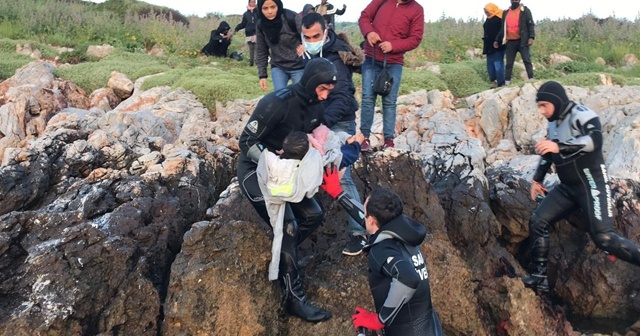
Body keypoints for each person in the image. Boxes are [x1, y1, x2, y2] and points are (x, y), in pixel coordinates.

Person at [237, 58, 338, 322]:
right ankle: (294, 298)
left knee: (314, 216)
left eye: (329, 90)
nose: (326, 95)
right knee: (289, 226)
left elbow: (315, 130)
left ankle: (282, 258)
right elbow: (245, 140)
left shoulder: (318, 103)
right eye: (323, 89)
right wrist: (273, 163)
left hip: (288, 171)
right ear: (312, 82)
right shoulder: (277, 102)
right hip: (256, 169)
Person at [522, 81, 640, 292]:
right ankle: (539, 278)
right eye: (538, 106)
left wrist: (559, 146)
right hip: (567, 188)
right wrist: (536, 180)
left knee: (604, 238)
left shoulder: (582, 114)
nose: (541, 111)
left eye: (544, 106)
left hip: (592, 183)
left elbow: (595, 141)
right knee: (537, 221)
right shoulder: (553, 122)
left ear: (556, 102)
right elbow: (548, 153)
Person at [319, 181, 444, 335]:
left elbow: (407, 278)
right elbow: (367, 221)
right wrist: (339, 193)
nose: (364, 218)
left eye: (366, 213)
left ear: (371, 219)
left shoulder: (382, 249)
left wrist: (378, 320)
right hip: (429, 329)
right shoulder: (405, 234)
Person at [300, 12, 368, 255]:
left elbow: (342, 98)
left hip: (339, 121)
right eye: (307, 36)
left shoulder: (336, 57)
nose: (311, 39)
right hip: (317, 119)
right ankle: (301, 224)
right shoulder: (308, 55)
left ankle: (361, 231)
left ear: (326, 32)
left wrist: (324, 126)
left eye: (316, 36)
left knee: (339, 173)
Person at [358, 0, 424, 151]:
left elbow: (415, 38)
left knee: (389, 101)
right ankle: (364, 137)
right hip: (371, 57)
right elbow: (364, 17)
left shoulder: (416, 9)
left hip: (394, 62)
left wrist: (394, 46)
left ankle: (389, 140)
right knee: (368, 98)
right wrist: (369, 32)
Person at [256, 0, 305, 91]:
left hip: (298, 66)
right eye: (265, 8)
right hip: (278, 67)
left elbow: (308, 35)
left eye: (273, 7)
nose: (270, 11)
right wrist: (262, 75)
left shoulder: (291, 17)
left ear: (278, 5)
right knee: (280, 96)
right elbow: (261, 50)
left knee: (300, 96)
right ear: (260, 9)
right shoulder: (261, 25)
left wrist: (305, 45)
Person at [493, 0, 535, 85]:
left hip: (522, 40)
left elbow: (530, 24)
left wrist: (531, 37)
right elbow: (503, 28)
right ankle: (507, 82)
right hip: (510, 42)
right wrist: (497, 40)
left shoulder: (525, 10)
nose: (514, 1)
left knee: (527, 60)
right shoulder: (506, 12)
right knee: (509, 63)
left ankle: (531, 79)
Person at [483, 3, 506, 88]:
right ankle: (494, 82)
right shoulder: (488, 19)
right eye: (485, 12)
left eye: (487, 11)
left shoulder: (500, 18)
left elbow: (503, 31)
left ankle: (501, 83)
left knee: (498, 64)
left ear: (492, 9)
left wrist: (498, 41)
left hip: (498, 46)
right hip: (489, 46)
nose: (486, 13)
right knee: (490, 66)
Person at [235, 0, 259, 66]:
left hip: (257, 32)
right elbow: (243, 23)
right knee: (251, 49)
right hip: (249, 33)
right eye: (251, 2)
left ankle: (257, 63)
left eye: (254, 2)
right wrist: (236, 28)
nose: (253, 3)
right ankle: (251, 63)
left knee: (257, 48)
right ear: (249, 3)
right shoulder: (246, 14)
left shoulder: (258, 12)